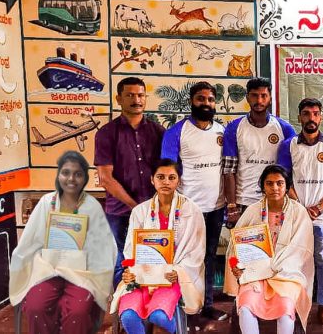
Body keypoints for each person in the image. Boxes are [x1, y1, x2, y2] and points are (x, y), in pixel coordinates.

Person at [10, 151, 117, 334]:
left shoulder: (91, 206)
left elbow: (106, 247)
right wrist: (22, 270)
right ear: (58, 175)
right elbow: (29, 242)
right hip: (48, 270)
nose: (71, 179)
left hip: (82, 272)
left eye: (78, 174)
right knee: (36, 307)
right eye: (66, 173)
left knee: (78, 311)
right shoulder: (47, 203)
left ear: (84, 178)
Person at [111, 159, 206, 333]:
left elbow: (196, 251)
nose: (166, 182)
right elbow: (131, 249)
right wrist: (131, 271)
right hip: (143, 276)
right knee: (128, 316)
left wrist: (178, 272)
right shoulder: (140, 211)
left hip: (173, 278)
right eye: (160, 177)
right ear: (152, 180)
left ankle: (174, 328)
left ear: (179, 181)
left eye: (171, 177)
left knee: (159, 316)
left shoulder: (192, 211)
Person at [160, 81, 228, 322]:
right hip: (187, 209)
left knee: (209, 257)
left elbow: (227, 168)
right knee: (185, 259)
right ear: (191, 101)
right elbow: (167, 172)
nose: (206, 103)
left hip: (216, 208)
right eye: (201, 99)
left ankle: (206, 305)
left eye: (210, 99)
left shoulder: (222, 131)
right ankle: (184, 308)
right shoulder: (176, 132)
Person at [224, 165, 315, 334]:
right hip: (254, 274)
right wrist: (236, 265)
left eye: (280, 183)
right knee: (246, 306)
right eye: (269, 183)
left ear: (287, 186)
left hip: (285, 274)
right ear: (263, 187)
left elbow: (301, 250)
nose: (275, 188)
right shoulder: (253, 211)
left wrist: (273, 266)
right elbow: (234, 247)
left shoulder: (299, 212)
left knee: (285, 308)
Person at [277, 97, 323, 325]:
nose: (311, 118)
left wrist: (321, 206)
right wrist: (301, 208)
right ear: (299, 117)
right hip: (296, 215)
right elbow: (284, 180)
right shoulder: (288, 145)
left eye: (315, 114)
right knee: (295, 259)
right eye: (306, 114)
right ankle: (298, 303)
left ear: (321, 117)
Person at [95, 76, 165, 286]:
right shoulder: (106, 133)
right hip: (120, 212)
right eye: (130, 95)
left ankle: (149, 302)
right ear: (118, 99)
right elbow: (106, 178)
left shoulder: (158, 132)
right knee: (121, 262)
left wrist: (154, 207)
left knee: (155, 260)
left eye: (141, 95)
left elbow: (166, 173)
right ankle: (123, 304)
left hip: (154, 211)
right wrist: (136, 207)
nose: (137, 100)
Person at [222, 78, 296, 227]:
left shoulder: (285, 129)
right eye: (254, 95)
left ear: (270, 98)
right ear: (247, 97)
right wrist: (231, 205)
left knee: (277, 240)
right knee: (245, 242)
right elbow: (229, 170)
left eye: (263, 96)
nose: (259, 100)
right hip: (244, 201)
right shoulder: (234, 128)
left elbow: (292, 169)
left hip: (276, 200)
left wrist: (292, 200)